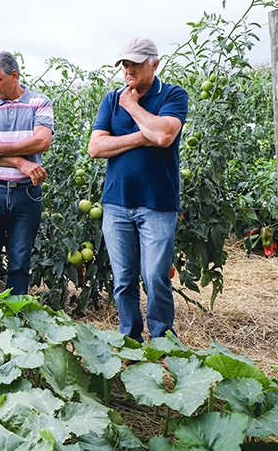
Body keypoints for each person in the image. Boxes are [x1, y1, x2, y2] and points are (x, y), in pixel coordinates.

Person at [88, 37, 188, 342]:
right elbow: (96, 147)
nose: (128, 70)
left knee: (156, 277)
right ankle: (130, 340)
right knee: (123, 279)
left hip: (157, 202)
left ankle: (161, 341)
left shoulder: (172, 94)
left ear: (154, 64)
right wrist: (138, 137)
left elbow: (164, 135)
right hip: (117, 202)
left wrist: (132, 107)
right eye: (124, 64)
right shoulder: (110, 99)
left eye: (135, 64)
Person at [0, 51, 53, 296]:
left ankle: (14, 321)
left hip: (26, 193)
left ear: (14, 75)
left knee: (20, 262)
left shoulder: (40, 102)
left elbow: (41, 142)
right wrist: (21, 162)